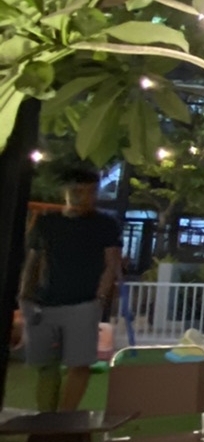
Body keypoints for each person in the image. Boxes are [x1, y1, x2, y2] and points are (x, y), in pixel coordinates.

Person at [18, 162, 123, 412]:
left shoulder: (105, 224)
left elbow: (112, 264)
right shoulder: (47, 222)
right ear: (65, 191)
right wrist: (24, 295)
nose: (85, 197)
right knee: (46, 364)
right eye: (78, 191)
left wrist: (99, 298)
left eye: (91, 192)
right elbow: (32, 262)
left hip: (84, 301)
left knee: (79, 364)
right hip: (45, 300)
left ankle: (65, 417)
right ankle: (46, 417)